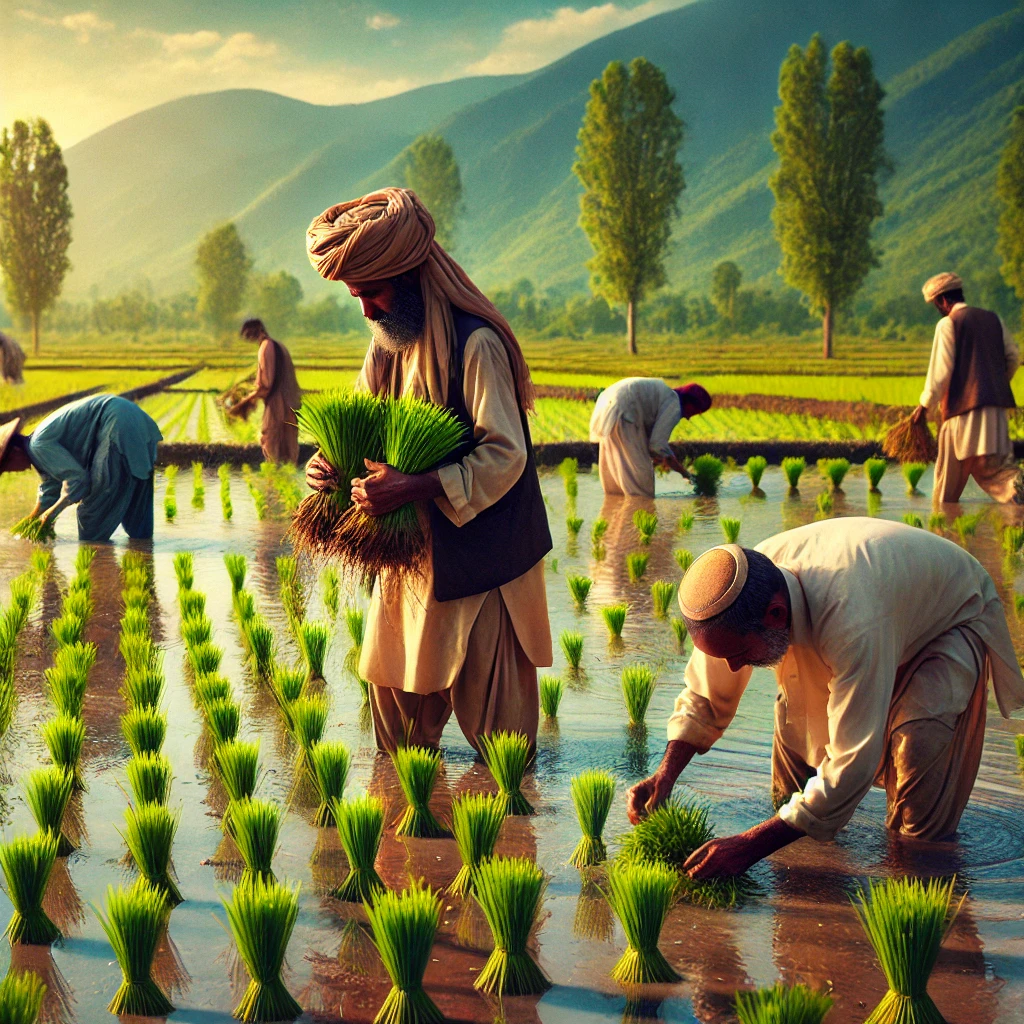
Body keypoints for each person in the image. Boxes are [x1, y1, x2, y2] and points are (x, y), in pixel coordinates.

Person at [626, 518, 1024, 880]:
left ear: (776, 614)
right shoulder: (735, 592)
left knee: (917, 771)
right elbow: (704, 694)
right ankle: (803, 869)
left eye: (739, 655)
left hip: (947, 623)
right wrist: (666, 774)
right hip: (880, 610)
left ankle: (918, 885)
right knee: (793, 723)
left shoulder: (854, 617)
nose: (733, 668)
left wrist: (750, 846)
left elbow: (853, 762)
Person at [304, 187, 553, 753]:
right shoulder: (386, 346)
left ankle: (508, 831)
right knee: (396, 735)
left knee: (504, 748)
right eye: (355, 298)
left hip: (485, 562)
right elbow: (360, 426)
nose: (366, 310)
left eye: (373, 294)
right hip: (412, 554)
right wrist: (330, 467)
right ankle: (407, 831)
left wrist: (415, 485)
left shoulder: (477, 344)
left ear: (411, 277)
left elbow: (505, 454)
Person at [912, 272, 1023, 504]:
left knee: (946, 487)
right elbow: (1013, 358)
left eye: (936, 304)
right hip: (996, 413)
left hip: (963, 414)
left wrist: (924, 406)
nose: (938, 309)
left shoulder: (948, 324)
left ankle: (941, 528)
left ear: (942, 300)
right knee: (999, 474)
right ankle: (1018, 498)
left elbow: (940, 374)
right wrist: (993, 383)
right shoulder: (994, 319)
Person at [0, 394, 163, 542]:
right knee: (138, 527)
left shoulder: (39, 445)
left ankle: (99, 570)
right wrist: (32, 519)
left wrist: (51, 515)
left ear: (14, 452)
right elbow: (50, 488)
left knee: (90, 521)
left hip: (116, 425)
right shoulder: (39, 448)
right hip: (134, 418)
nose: (11, 472)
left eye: (6, 468)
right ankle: (144, 559)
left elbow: (78, 480)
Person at [588, 376, 712, 496]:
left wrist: (658, 457)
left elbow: (651, 443)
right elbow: (657, 445)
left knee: (616, 482)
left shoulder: (662, 395)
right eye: (697, 412)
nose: (690, 417)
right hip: (624, 412)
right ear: (691, 403)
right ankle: (638, 512)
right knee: (641, 486)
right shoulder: (673, 403)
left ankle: (613, 513)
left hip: (606, 407)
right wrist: (685, 474)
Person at [230, 318, 302, 464]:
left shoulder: (265, 347)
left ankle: (274, 481)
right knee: (289, 446)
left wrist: (242, 403)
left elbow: (266, 385)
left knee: (270, 441)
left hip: (277, 404)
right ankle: (286, 480)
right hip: (290, 404)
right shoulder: (278, 346)